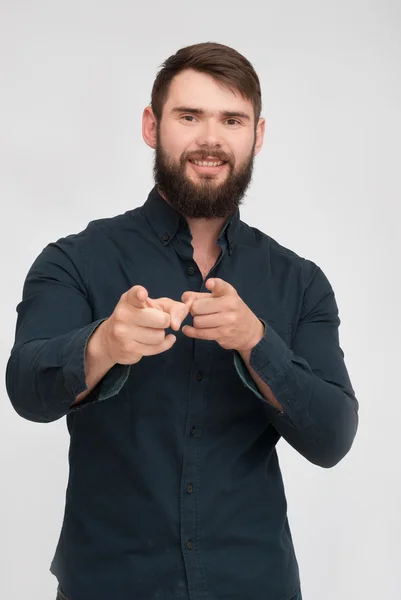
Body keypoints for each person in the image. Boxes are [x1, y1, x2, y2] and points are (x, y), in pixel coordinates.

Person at [5, 41, 358, 600]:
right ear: (152, 126)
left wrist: (255, 341)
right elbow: (26, 389)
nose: (210, 139)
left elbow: (333, 437)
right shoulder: (75, 259)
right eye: (189, 116)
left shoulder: (300, 282)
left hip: (254, 584)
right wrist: (105, 343)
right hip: (109, 584)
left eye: (232, 119)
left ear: (257, 136)